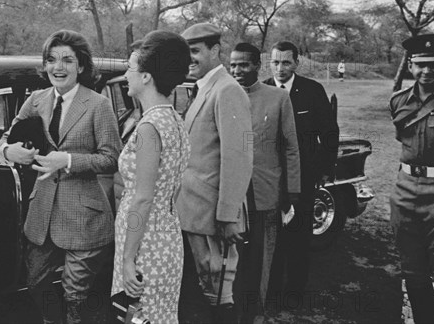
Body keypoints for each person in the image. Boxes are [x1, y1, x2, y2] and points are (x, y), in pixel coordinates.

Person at [0, 30, 121, 324]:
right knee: (36, 283)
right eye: (51, 60)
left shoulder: (97, 105)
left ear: (81, 66)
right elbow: (6, 137)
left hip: (85, 217)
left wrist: (66, 160)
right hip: (42, 214)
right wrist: (8, 150)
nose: (58, 67)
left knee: (74, 294)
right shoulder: (36, 100)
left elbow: (112, 158)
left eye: (67, 60)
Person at [112, 30, 191, 323]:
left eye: (131, 68)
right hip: (168, 236)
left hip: (146, 244)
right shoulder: (174, 119)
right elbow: (174, 186)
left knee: (139, 316)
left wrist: (129, 258)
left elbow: (143, 198)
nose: (126, 75)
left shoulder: (148, 127)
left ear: (146, 77)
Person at [176, 23, 253, 323]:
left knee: (218, 294)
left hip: (214, 217)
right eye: (186, 53)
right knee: (204, 293)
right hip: (195, 213)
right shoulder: (204, 88)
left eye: (195, 51)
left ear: (215, 50)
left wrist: (228, 215)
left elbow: (239, 157)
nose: (189, 59)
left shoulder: (227, 90)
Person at [229, 43, 301, 323]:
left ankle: (256, 312)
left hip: (264, 192)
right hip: (230, 194)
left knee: (260, 260)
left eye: (244, 64)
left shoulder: (277, 98)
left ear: (257, 66)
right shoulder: (223, 95)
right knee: (230, 258)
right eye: (233, 65)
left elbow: (291, 147)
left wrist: (292, 191)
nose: (237, 70)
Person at [265, 41, 339, 306]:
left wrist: (323, 170)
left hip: (304, 177)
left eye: (286, 62)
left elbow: (329, 134)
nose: (280, 68)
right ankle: (270, 291)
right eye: (275, 62)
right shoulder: (262, 89)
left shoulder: (311, 90)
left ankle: (294, 292)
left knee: (298, 235)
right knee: (270, 237)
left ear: (297, 63)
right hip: (269, 177)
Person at [389, 34, 434, 324]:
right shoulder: (399, 101)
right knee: (413, 270)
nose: (427, 72)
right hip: (405, 191)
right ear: (410, 65)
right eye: (421, 65)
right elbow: (404, 141)